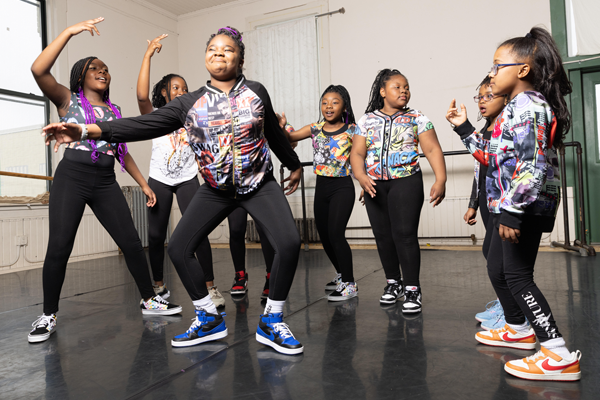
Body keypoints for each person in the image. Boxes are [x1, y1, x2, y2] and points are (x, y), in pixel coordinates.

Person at [42, 26, 305, 355]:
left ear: (240, 58)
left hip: (258, 184)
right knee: (178, 247)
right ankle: (208, 316)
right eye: (213, 48)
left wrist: (293, 163)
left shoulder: (256, 92)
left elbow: (274, 136)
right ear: (205, 57)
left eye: (227, 49)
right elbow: (138, 125)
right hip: (216, 188)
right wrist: (84, 129)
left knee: (290, 242)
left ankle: (273, 321)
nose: (219, 53)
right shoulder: (190, 103)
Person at [28, 17, 181, 343]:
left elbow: (122, 152)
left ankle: (149, 299)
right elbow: (38, 70)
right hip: (73, 176)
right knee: (59, 247)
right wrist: (69, 32)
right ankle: (48, 314)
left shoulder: (114, 112)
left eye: (106, 68)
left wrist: (142, 183)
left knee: (130, 242)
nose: (103, 71)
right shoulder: (67, 101)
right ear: (81, 75)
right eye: (95, 67)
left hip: (105, 181)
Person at [446, 27, 581, 381]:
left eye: (496, 65)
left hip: (526, 206)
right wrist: (463, 129)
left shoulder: (529, 107)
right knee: (504, 271)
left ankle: (557, 353)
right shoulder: (518, 109)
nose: (491, 73)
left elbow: (532, 166)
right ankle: (520, 330)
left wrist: (512, 211)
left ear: (522, 69)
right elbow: (493, 156)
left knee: (519, 277)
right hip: (520, 203)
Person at [136, 34, 224, 307]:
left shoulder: (194, 118)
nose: (182, 91)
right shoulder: (156, 116)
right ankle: (159, 285)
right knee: (156, 234)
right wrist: (148, 55)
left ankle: (210, 287)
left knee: (199, 231)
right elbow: (141, 95)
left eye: (185, 87)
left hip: (188, 179)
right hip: (159, 179)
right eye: (176, 87)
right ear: (165, 92)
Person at [350, 69, 447, 313]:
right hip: (375, 185)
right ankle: (394, 283)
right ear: (383, 92)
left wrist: (441, 179)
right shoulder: (366, 120)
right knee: (382, 237)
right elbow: (357, 153)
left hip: (406, 181)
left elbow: (433, 150)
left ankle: (413, 288)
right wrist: (361, 177)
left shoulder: (418, 118)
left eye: (406, 87)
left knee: (404, 235)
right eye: (397, 87)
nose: (403, 91)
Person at [283, 85, 359, 301]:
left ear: (344, 105)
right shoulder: (315, 128)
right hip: (322, 187)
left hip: (342, 186)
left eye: (334, 102)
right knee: (324, 236)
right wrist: (283, 126)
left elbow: (362, 157)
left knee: (336, 234)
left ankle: (350, 284)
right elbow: (291, 137)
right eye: (325, 102)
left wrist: (364, 183)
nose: (328, 106)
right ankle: (341, 275)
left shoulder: (353, 130)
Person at [461, 76, 507, 331]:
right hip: (487, 203)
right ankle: (504, 304)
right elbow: (479, 172)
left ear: (505, 97)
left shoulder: (504, 128)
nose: (482, 102)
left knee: (500, 262)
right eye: (479, 97)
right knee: (490, 253)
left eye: (489, 96)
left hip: (502, 203)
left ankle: (511, 313)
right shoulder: (484, 132)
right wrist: (473, 204)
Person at [227, 207, 274, 299]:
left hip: (258, 192)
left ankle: (271, 277)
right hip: (236, 193)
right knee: (236, 229)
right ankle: (240, 276)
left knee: (264, 229)